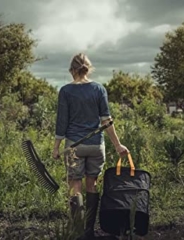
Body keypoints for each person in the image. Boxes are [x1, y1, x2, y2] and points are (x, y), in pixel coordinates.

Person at [52, 53, 129, 239]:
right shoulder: (99, 89)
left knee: (74, 186)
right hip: (96, 145)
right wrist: (118, 145)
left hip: (74, 147)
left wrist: (56, 147)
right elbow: (106, 120)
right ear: (88, 69)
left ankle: (77, 232)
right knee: (92, 184)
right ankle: (89, 232)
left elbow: (62, 122)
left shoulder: (66, 91)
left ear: (72, 70)